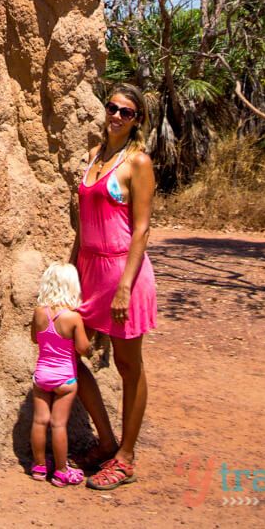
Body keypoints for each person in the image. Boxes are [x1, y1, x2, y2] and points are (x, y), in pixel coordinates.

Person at [71, 83, 157, 490]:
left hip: (124, 272)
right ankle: (105, 442)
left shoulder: (138, 162)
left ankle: (125, 456)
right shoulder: (93, 158)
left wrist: (125, 286)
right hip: (89, 271)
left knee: (128, 367)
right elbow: (82, 223)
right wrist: (72, 271)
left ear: (137, 119)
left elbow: (141, 230)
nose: (118, 116)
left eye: (127, 111)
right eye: (113, 108)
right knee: (67, 347)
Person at [29, 262, 91, 487]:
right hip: (65, 378)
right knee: (57, 424)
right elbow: (83, 348)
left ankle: (38, 467)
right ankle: (62, 471)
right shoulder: (73, 318)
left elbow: (35, 338)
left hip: (42, 376)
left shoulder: (38, 312)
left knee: (39, 420)